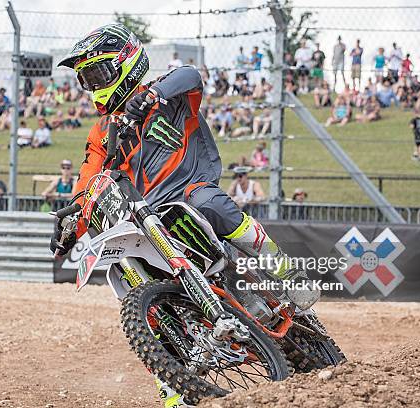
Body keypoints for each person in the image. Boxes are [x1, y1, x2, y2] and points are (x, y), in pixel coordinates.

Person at [54, 24, 312, 407]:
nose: (93, 86)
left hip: (189, 190)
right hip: (145, 217)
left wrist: (154, 95)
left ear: (124, 63)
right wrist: (71, 220)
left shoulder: (167, 95)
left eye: (97, 74)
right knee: (128, 276)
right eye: (85, 80)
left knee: (210, 203)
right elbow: (88, 179)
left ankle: (283, 270)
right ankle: (170, 382)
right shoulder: (103, 131)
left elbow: (191, 76)